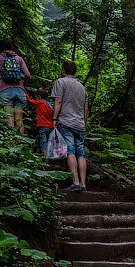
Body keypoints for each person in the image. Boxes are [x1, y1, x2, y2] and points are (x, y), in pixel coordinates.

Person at [50, 60, 88, 191]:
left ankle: (75, 182)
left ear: (63, 70)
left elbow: (58, 100)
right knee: (80, 153)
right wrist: (84, 123)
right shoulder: (81, 87)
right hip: (80, 124)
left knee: (71, 151)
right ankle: (83, 184)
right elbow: (85, 109)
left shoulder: (61, 82)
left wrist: (54, 118)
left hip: (66, 122)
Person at [0, 39, 31, 135]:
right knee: (19, 120)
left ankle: (12, 146)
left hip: (5, 91)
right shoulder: (18, 58)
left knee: (9, 119)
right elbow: (27, 74)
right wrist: (23, 84)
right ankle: (21, 145)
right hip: (20, 91)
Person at [25, 87, 55, 154]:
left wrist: (24, 91)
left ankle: (45, 157)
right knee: (38, 138)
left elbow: (29, 100)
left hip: (43, 126)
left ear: (39, 96)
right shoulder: (49, 105)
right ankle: (38, 152)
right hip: (49, 127)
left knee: (43, 142)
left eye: (36, 97)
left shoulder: (40, 103)